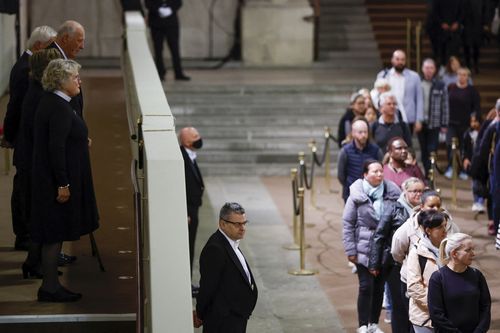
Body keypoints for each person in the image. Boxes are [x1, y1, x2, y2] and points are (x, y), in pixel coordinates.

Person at [31, 59, 99, 302]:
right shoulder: (58, 107)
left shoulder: (56, 102)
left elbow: (65, 137)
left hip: (50, 179)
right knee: (53, 234)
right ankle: (49, 288)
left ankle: (50, 285)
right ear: (61, 81)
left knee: (53, 233)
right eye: (74, 78)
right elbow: (55, 147)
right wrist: (63, 184)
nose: (79, 81)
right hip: (54, 183)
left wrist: (81, 140)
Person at [1, 25, 57, 251]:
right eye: (51, 45)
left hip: (26, 139)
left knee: (23, 188)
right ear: (38, 46)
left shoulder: (27, 65)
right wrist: (10, 135)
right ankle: (23, 236)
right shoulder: (26, 69)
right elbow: (15, 106)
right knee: (23, 189)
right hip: (27, 141)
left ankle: (25, 235)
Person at [16, 48, 63, 278]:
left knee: (38, 217)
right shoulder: (41, 97)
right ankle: (37, 265)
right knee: (42, 219)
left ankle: (34, 262)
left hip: (32, 162)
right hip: (37, 166)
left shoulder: (35, 91)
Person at [343, 159, 401, 333]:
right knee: (366, 286)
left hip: (384, 249)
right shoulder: (357, 195)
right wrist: (350, 250)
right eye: (374, 171)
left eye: (381, 171)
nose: (379, 174)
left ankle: (373, 324)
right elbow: (347, 223)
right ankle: (362, 325)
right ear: (365, 174)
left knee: (378, 287)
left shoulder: (392, 193)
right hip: (364, 247)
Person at [391, 190, 459, 329]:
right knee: (413, 320)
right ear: (421, 206)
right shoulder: (409, 228)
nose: (435, 209)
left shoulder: (450, 225)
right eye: (431, 206)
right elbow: (397, 251)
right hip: (415, 281)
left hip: (443, 286)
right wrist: (434, 304)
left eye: (438, 205)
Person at [369, 177, 425, 333]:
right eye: (414, 191)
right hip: (396, 264)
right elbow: (379, 235)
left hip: (420, 264)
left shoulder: (427, 210)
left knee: (417, 303)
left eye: (421, 191)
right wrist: (374, 263)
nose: (418, 195)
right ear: (405, 192)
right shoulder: (393, 208)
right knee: (399, 304)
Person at [195, 202, 258, 332]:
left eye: (244, 223)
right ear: (222, 224)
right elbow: (207, 287)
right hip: (223, 322)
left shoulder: (231, 242)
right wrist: (200, 313)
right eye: (237, 224)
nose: (242, 228)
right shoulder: (215, 249)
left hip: (235, 319)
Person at [428, 233, 491, 332]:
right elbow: (436, 314)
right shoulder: (438, 278)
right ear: (454, 254)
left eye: (472, 249)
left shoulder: (476, 275)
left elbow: (485, 306)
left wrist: (480, 330)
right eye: (468, 250)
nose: (473, 254)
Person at [406, 210, 448, 333]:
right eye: (440, 227)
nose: (444, 230)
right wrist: (435, 306)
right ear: (428, 230)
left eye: (445, 226)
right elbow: (414, 286)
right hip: (425, 317)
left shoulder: (449, 248)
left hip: (448, 315)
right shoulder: (417, 253)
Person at [179, 126, 205, 296]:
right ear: (187, 141)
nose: (199, 138)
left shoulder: (190, 155)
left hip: (193, 208)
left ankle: (187, 282)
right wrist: (185, 212)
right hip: (188, 211)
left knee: (191, 246)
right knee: (186, 247)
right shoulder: (182, 157)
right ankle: (184, 284)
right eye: (195, 136)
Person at [376, 49, 424, 133]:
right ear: (392, 60)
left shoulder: (414, 77)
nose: (400, 62)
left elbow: (419, 99)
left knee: (406, 143)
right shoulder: (383, 75)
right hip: (388, 116)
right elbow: (377, 96)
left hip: (408, 117)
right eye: (397, 59)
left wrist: (419, 119)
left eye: (402, 59)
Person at [445, 67, 481, 180]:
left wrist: (474, 119)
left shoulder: (472, 91)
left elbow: (477, 108)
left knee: (464, 148)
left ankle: (463, 170)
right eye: (460, 74)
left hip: (466, 125)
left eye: (464, 75)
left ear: (468, 77)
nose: (462, 76)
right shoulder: (451, 88)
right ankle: (451, 166)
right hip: (451, 123)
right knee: (450, 145)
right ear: (457, 75)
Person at [337, 118, 383, 202]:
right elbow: (341, 175)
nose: (364, 135)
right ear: (353, 133)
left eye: (365, 132)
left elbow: (381, 169)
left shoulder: (376, 150)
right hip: (350, 193)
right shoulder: (345, 151)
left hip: (371, 193)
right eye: (360, 132)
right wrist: (349, 185)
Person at [145, 0, 190, 81]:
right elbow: (147, 3)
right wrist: (158, 9)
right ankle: (160, 72)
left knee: (175, 48)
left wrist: (171, 9)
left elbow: (178, 2)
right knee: (158, 49)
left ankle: (178, 73)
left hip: (171, 22)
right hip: (156, 22)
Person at [49, 20, 86, 118]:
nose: (82, 46)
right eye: (79, 40)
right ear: (65, 39)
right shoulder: (51, 60)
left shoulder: (59, 57)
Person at [419, 58, 449, 177]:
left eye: (431, 68)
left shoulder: (440, 85)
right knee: (423, 149)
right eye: (426, 68)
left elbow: (445, 105)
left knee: (432, 149)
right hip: (421, 122)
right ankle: (427, 172)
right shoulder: (418, 83)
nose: (429, 70)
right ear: (422, 69)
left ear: (435, 69)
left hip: (435, 122)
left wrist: (444, 124)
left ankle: (429, 172)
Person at [463, 113, 486, 213]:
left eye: (475, 121)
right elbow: (464, 148)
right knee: (474, 184)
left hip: (483, 163)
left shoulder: (485, 133)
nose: (473, 124)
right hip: (473, 162)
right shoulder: (467, 134)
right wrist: (465, 158)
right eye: (471, 121)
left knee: (482, 183)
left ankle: (480, 201)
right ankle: (476, 201)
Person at [432, 0, 464, 66]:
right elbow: (434, 13)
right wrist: (441, 23)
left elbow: (462, 12)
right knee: (442, 52)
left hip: (455, 31)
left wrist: (457, 23)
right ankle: (443, 68)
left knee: (454, 52)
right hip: (441, 31)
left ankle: (454, 69)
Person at [462, 0, 489, 74]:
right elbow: (461, 10)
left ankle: (475, 64)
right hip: (466, 25)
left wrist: (485, 23)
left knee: (476, 47)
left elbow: (485, 10)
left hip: (478, 25)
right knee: (466, 47)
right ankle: (468, 65)